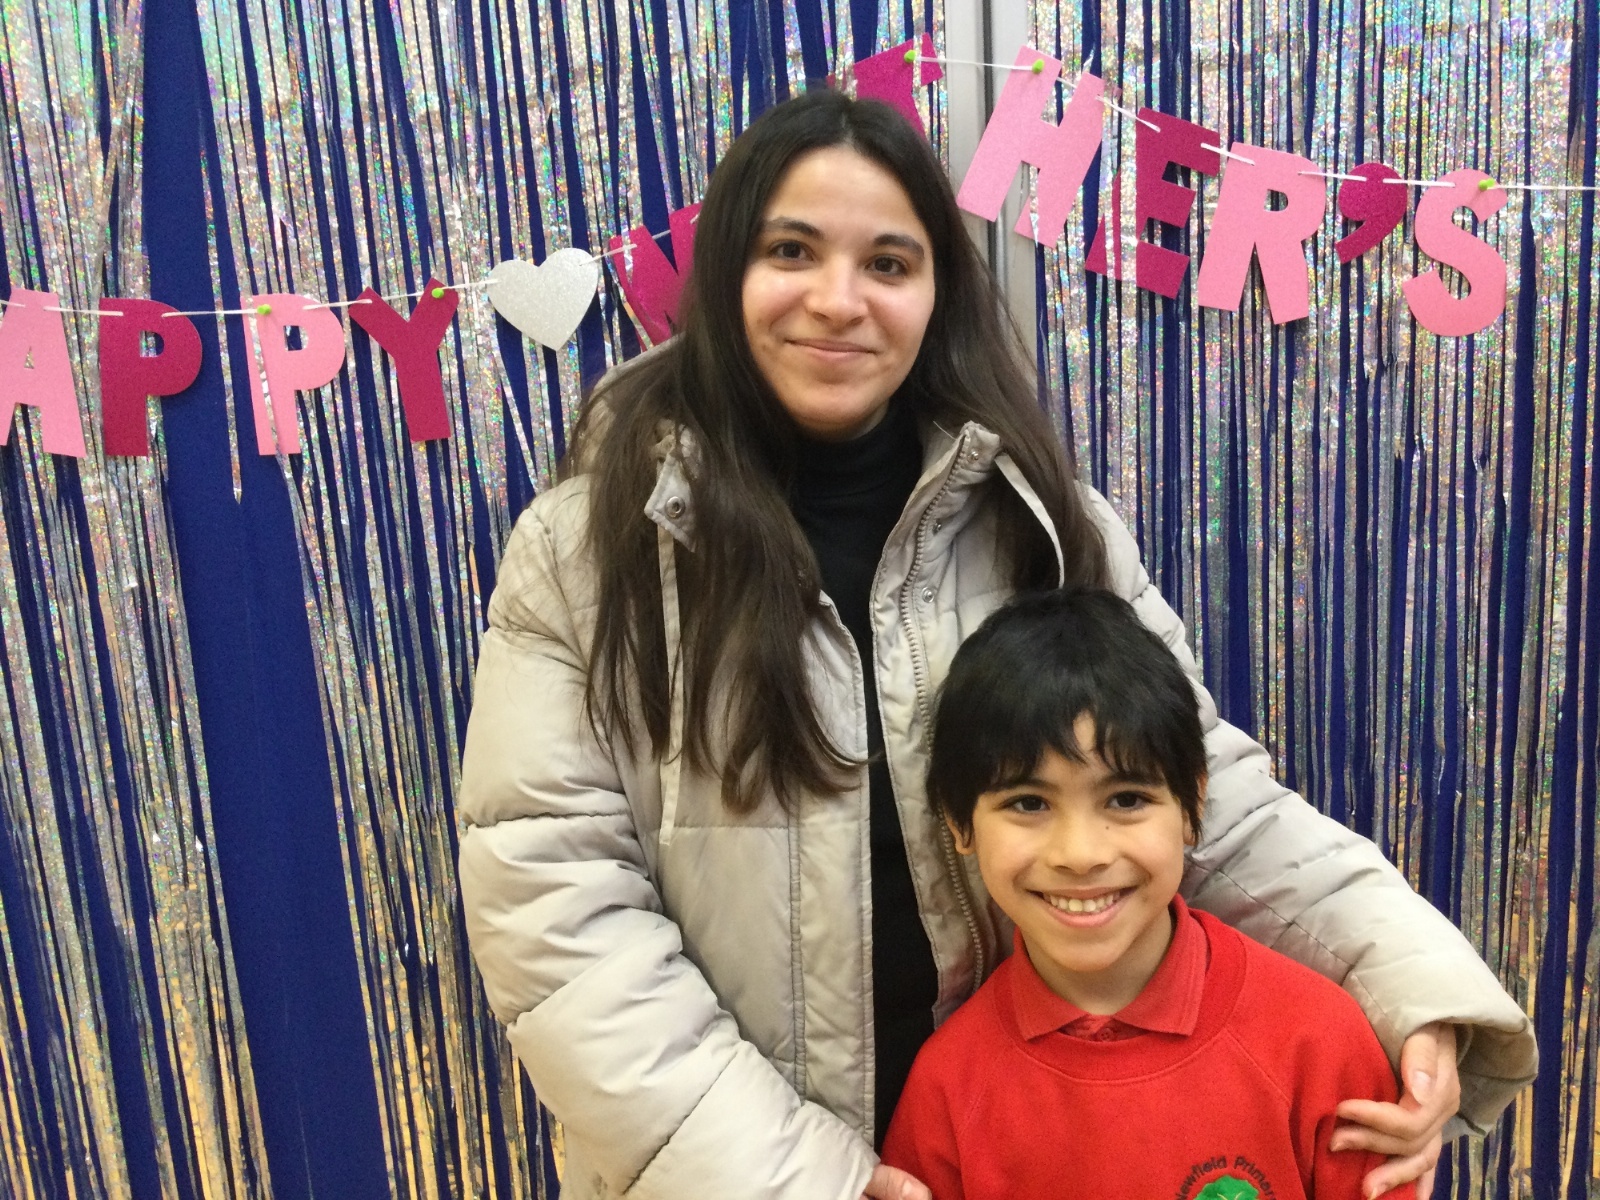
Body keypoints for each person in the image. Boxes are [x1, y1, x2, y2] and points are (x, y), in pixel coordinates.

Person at [455, 88, 1536, 1200]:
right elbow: (556, 915)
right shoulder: (586, 556)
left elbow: (1198, 794)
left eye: (888, 262)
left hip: (1024, 1149)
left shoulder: (1045, 522)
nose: (838, 300)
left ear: (937, 294)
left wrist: (1406, 983)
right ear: (728, 271)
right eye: (792, 251)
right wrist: (806, 1182)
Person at [881, 588, 1423, 1200]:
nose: (1080, 853)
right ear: (959, 823)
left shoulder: (1318, 1041)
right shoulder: (947, 1086)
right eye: (1028, 803)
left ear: (1192, 805)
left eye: (1126, 799)